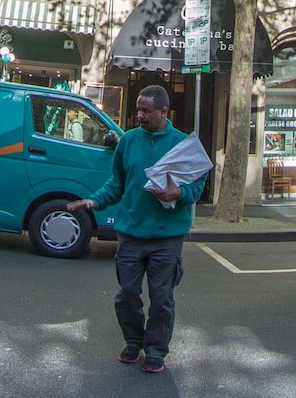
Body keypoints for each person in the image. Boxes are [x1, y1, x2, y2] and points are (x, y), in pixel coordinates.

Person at [69, 85, 207, 374]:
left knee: (162, 298)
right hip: (130, 236)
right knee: (127, 294)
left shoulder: (182, 144)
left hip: (166, 239)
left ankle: (156, 350)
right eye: (138, 110)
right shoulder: (128, 141)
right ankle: (134, 342)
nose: (140, 115)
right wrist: (95, 201)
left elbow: (197, 187)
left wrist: (179, 194)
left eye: (146, 111)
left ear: (163, 112)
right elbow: (116, 185)